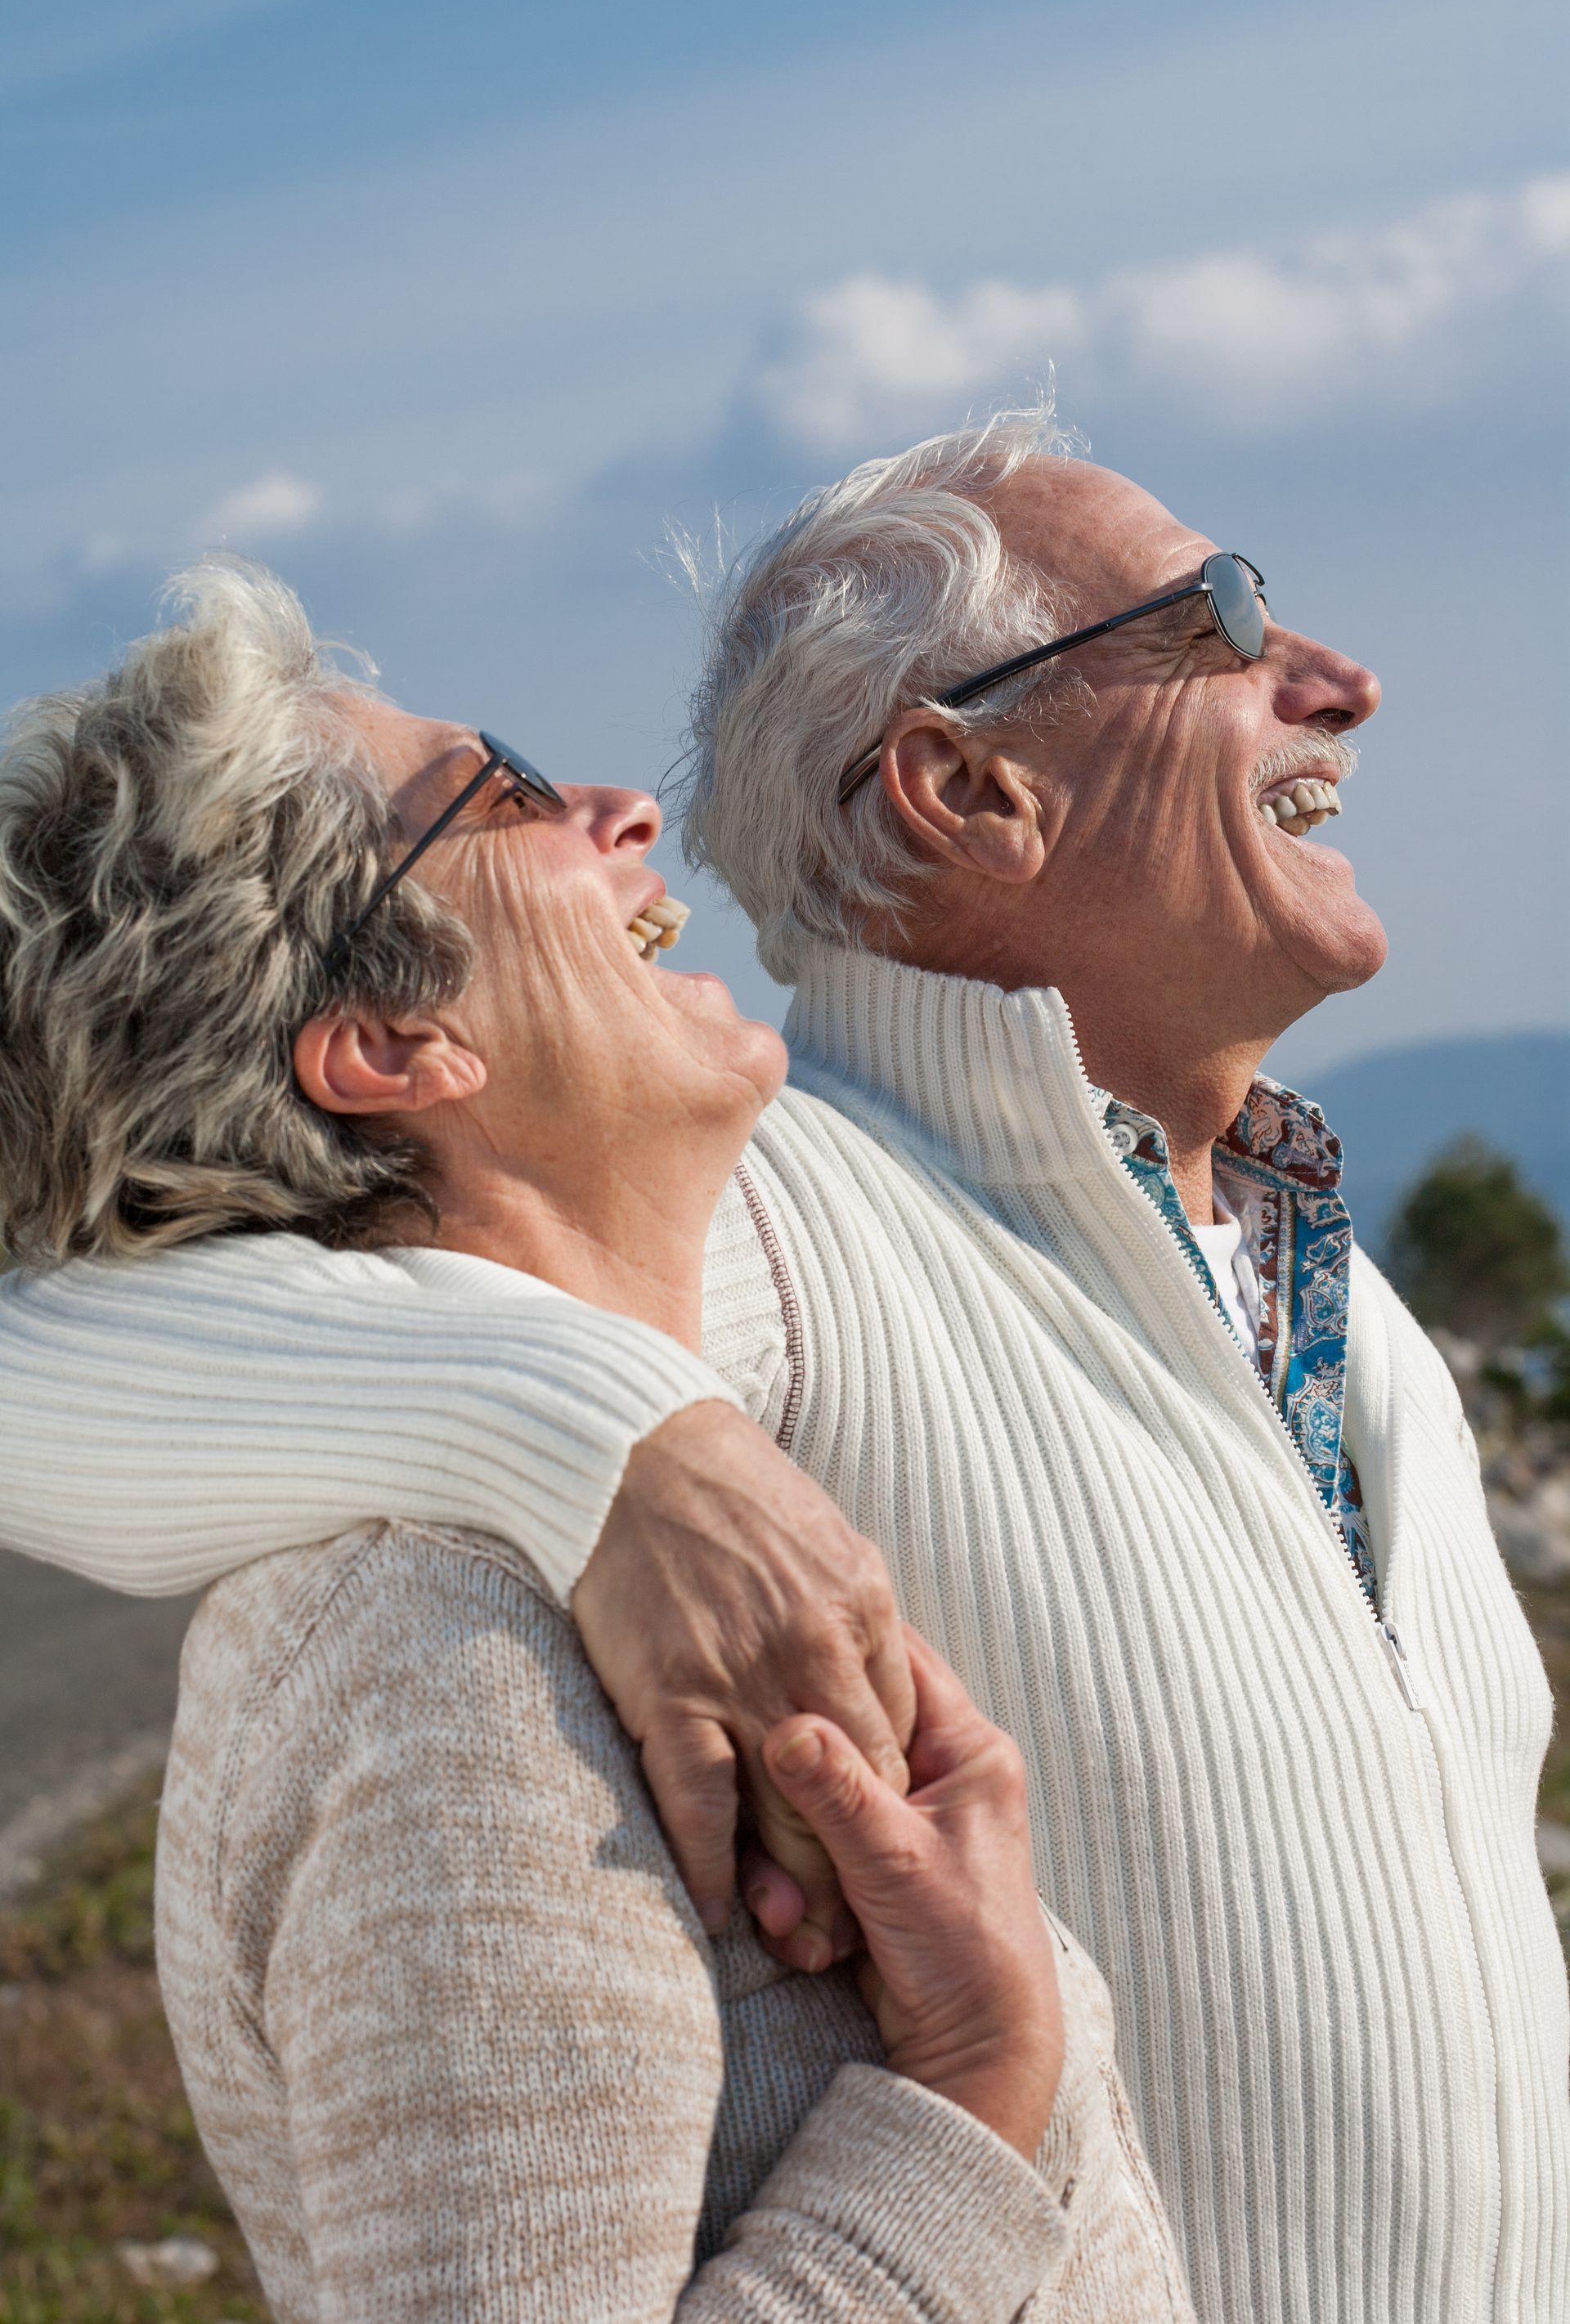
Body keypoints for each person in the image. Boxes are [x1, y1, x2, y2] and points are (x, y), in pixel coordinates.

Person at [3, 414, 1567, 2320]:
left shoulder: (1344, 1299)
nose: (1339, 679)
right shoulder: (784, 1232)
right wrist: (605, 1429)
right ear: (968, 787)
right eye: (1221, 617)